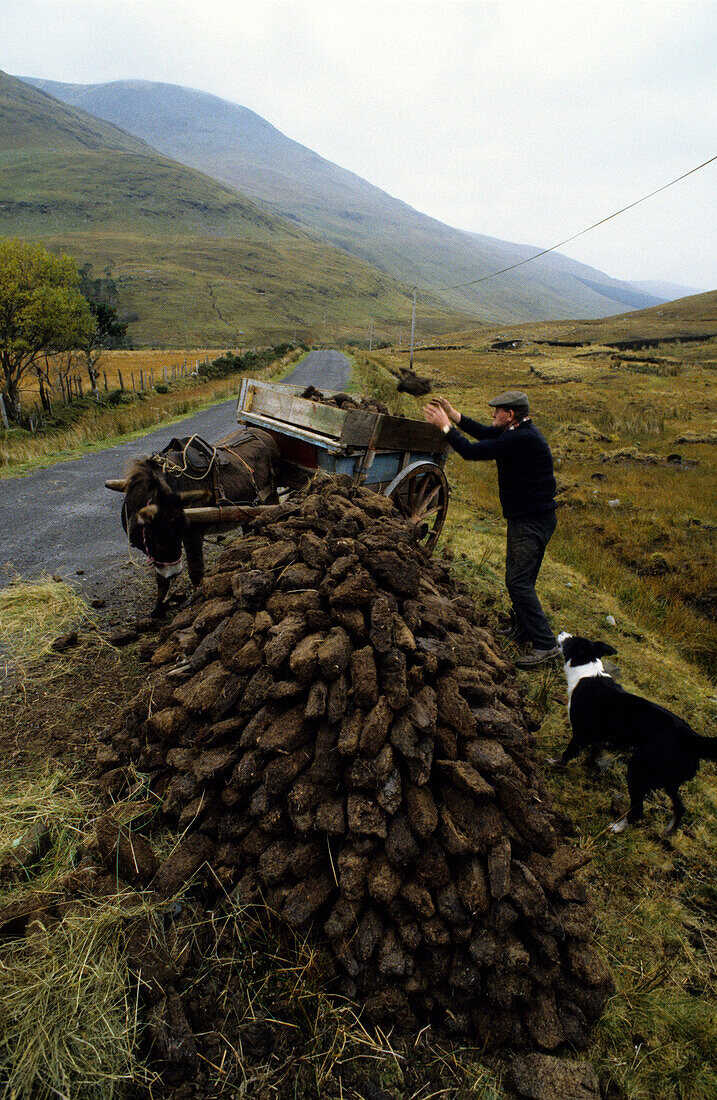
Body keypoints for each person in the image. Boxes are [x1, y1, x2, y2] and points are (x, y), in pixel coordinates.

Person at [424, 389, 560, 669]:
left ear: (509, 415)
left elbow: (472, 451)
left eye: (497, 411)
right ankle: (524, 630)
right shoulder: (518, 432)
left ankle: (546, 645)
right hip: (535, 516)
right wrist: (454, 415)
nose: (493, 414)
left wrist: (445, 427)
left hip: (530, 520)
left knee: (517, 581)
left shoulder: (520, 439)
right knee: (524, 579)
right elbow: (486, 433)